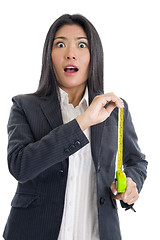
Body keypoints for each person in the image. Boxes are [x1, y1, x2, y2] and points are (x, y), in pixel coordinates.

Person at [3, 14, 148, 240]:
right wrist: (84, 121)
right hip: (34, 231)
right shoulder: (24, 106)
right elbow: (20, 166)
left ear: (94, 56)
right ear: (49, 56)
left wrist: (131, 182)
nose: (70, 53)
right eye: (60, 44)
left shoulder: (116, 108)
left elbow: (137, 161)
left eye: (82, 45)